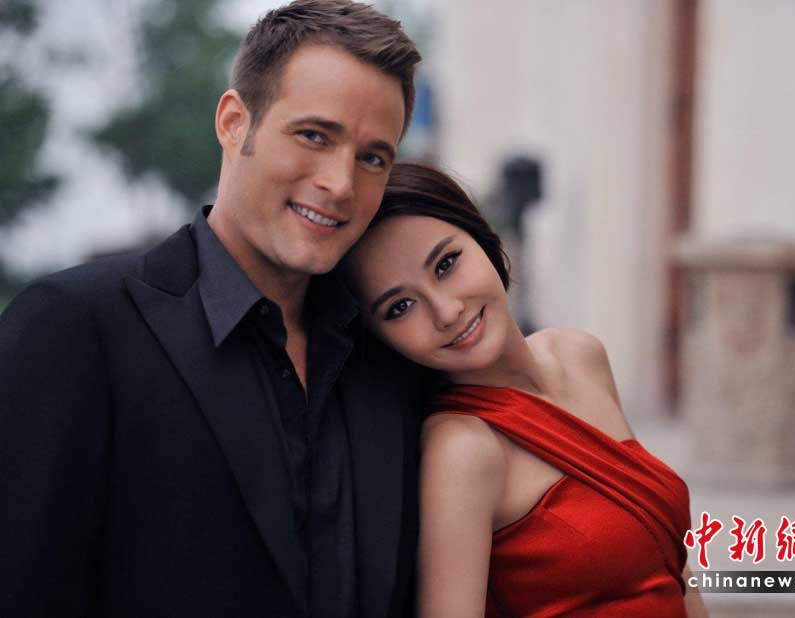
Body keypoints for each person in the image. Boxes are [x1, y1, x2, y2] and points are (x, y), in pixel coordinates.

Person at [0, 2, 422, 616]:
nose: (340, 184)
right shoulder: (74, 328)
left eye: (372, 157)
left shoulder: (390, 356)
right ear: (233, 122)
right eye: (314, 136)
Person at [345, 162, 709, 617]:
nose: (446, 311)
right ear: (383, 339)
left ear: (483, 239)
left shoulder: (580, 355)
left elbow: (668, 557)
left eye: (446, 264)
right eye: (400, 307)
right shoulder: (463, 447)